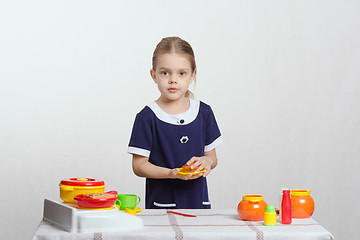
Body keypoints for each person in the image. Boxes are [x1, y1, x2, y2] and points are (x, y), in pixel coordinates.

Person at [128, 36, 223, 209]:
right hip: (161, 208)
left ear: (192, 75)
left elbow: (212, 157)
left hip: (198, 207)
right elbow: (139, 165)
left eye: (181, 73)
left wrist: (206, 162)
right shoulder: (147, 117)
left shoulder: (204, 113)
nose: (173, 80)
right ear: (153, 75)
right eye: (165, 73)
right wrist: (171, 174)